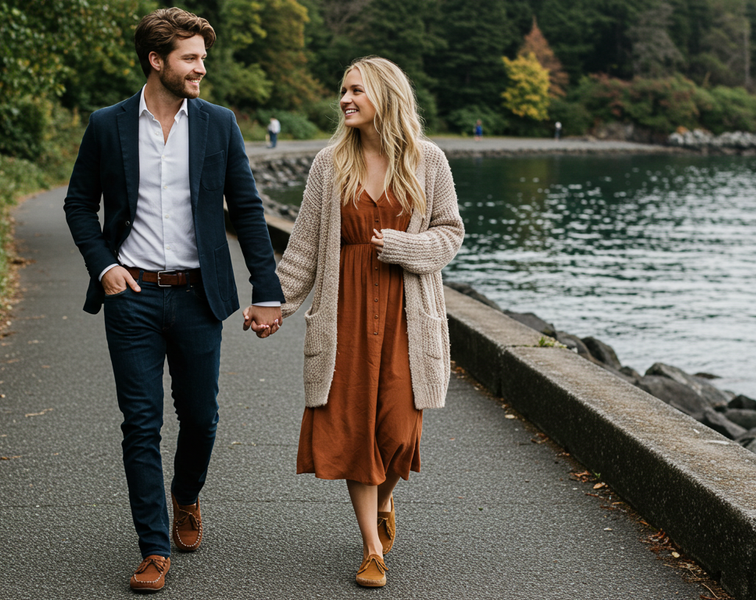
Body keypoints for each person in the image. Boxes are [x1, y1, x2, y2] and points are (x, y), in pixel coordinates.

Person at [62, 7, 284, 594]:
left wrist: (267, 291)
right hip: (131, 296)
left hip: (197, 296)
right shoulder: (107, 124)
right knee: (140, 423)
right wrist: (104, 267)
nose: (201, 68)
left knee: (201, 417)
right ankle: (153, 548)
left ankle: (186, 495)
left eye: (203, 58)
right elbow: (79, 204)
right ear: (156, 60)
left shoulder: (218, 123)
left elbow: (248, 210)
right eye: (190, 58)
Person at [251, 55, 463, 587]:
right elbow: (303, 249)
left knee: (398, 431)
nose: (345, 99)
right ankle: (371, 548)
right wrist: (274, 303)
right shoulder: (330, 164)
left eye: (356, 91)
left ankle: (386, 500)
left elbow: (450, 233)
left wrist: (404, 246)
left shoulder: (428, 160)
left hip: (406, 318)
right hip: (343, 318)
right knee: (352, 431)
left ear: (386, 97)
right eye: (343, 90)